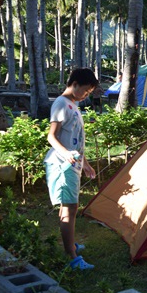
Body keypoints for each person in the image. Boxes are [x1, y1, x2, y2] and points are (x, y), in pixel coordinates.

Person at [44, 68, 99, 270]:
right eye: (85, 90)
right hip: (62, 164)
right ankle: (72, 257)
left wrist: (85, 164)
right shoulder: (61, 103)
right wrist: (66, 154)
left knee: (70, 207)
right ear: (74, 84)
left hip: (72, 163)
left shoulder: (73, 105)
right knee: (69, 207)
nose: (86, 95)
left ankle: (70, 245)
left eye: (89, 92)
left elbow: (75, 140)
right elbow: (52, 136)